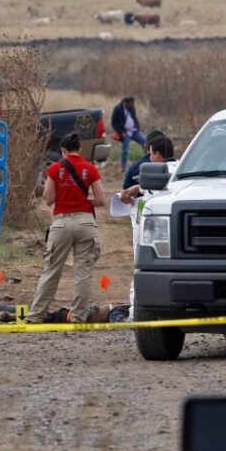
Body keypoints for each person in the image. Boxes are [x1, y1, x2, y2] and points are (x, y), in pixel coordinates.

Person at [27, 132, 105, 323]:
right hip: (86, 223)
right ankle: (78, 317)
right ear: (79, 149)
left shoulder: (55, 168)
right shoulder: (90, 169)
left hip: (61, 223)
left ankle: (36, 316)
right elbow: (101, 200)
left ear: (62, 150)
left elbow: (48, 199)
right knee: (83, 272)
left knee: (51, 270)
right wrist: (84, 202)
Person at [119, 136, 177, 321]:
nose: (149, 157)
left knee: (140, 267)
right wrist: (139, 186)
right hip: (175, 235)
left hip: (153, 232)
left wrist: (137, 188)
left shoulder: (155, 172)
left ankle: (134, 313)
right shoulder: (182, 169)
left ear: (158, 155)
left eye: (151, 154)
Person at [121, 129, 166, 194]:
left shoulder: (135, 166)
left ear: (145, 146)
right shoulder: (175, 165)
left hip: (139, 201)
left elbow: (125, 189)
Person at [111, 96, 147, 173]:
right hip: (125, 133)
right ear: (126, 103)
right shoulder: (118, 109)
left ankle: (149, 161)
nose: (133, 105)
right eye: (131, 104)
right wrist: (121, 132)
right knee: (125, 150)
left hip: (135, 131)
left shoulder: (131, 107)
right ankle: (124, 168)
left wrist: (138, 126)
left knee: (145, 142)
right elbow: (113, 123)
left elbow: (134, 118)